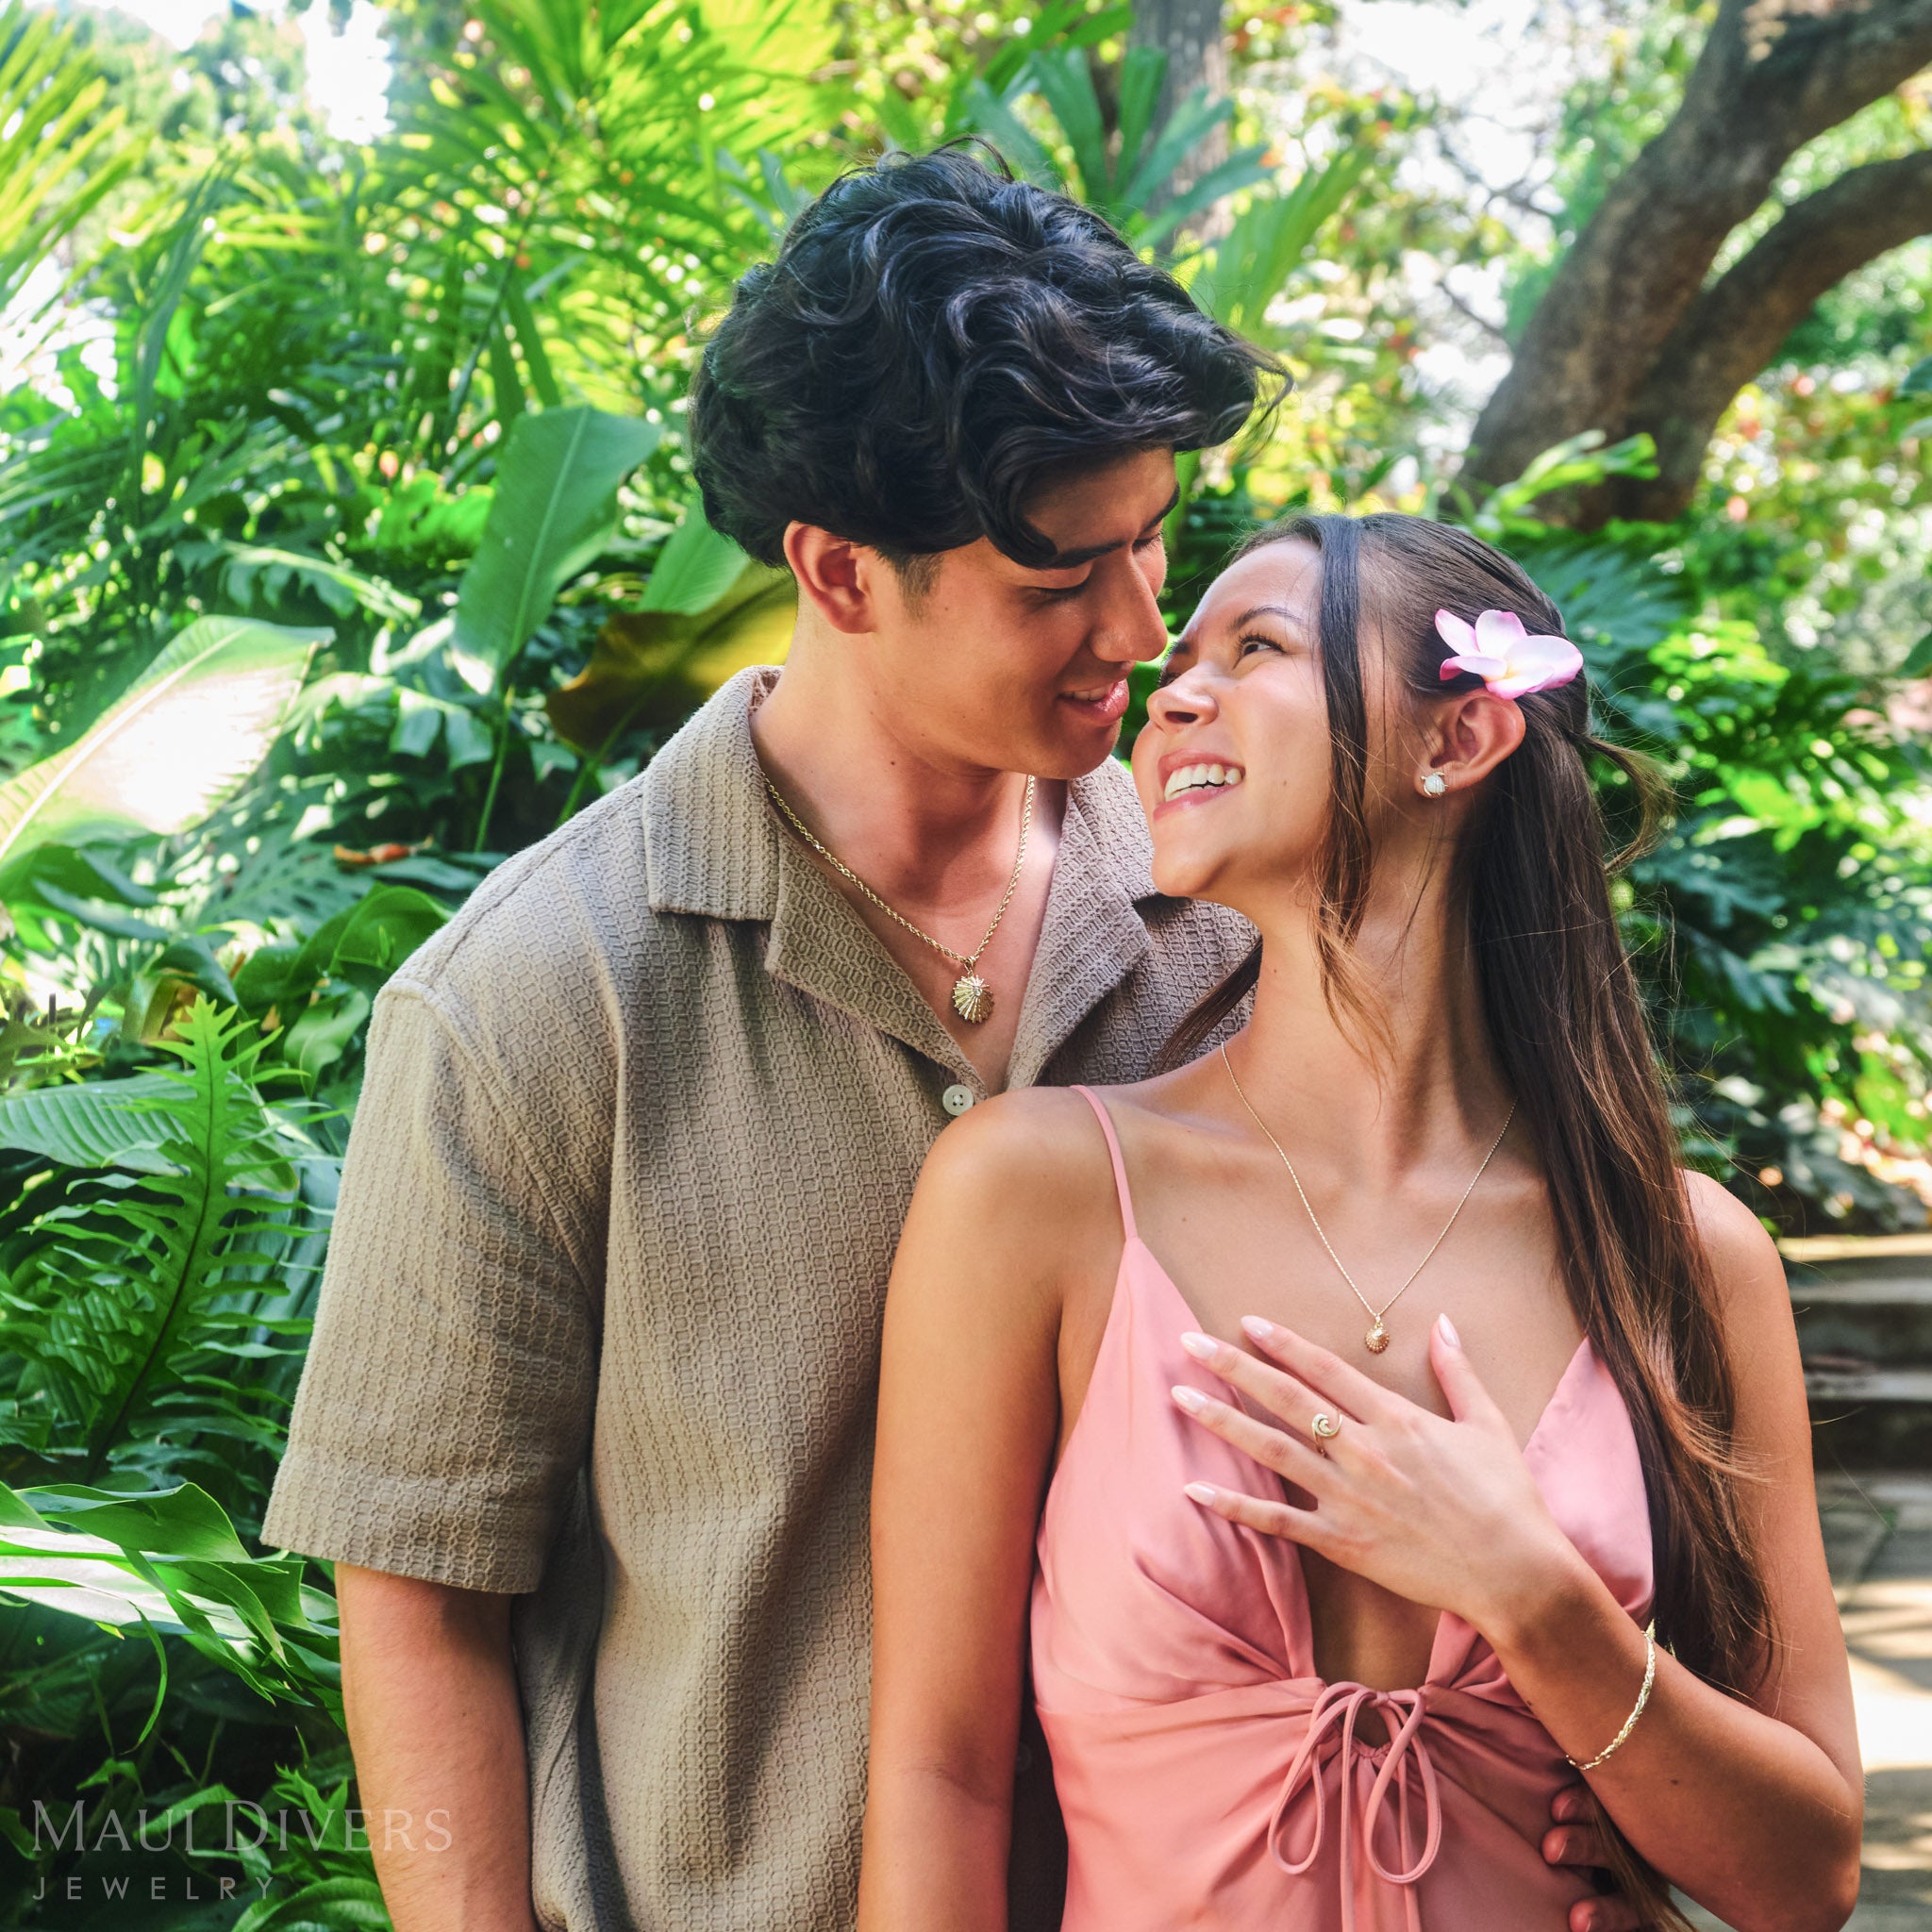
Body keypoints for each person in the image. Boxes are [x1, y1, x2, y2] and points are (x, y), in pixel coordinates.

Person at [261, 150, 1653, 1932]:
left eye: (1156, 543)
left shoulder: (1248, 926)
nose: (1145, 635)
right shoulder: (532, 998)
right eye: (1063, 578)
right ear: (840, 572)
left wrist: (1602, 1777)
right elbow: (418, 1592)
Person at [860, 512, 1863, 1932]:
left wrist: (1542, 1604)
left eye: (1255, 647)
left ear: (1456, 742)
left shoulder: (1685, 1257)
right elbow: (942, 1776)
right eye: (1181, 665)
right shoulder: (1039, 1194)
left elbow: (1809, 1877)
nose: (1173, 692)